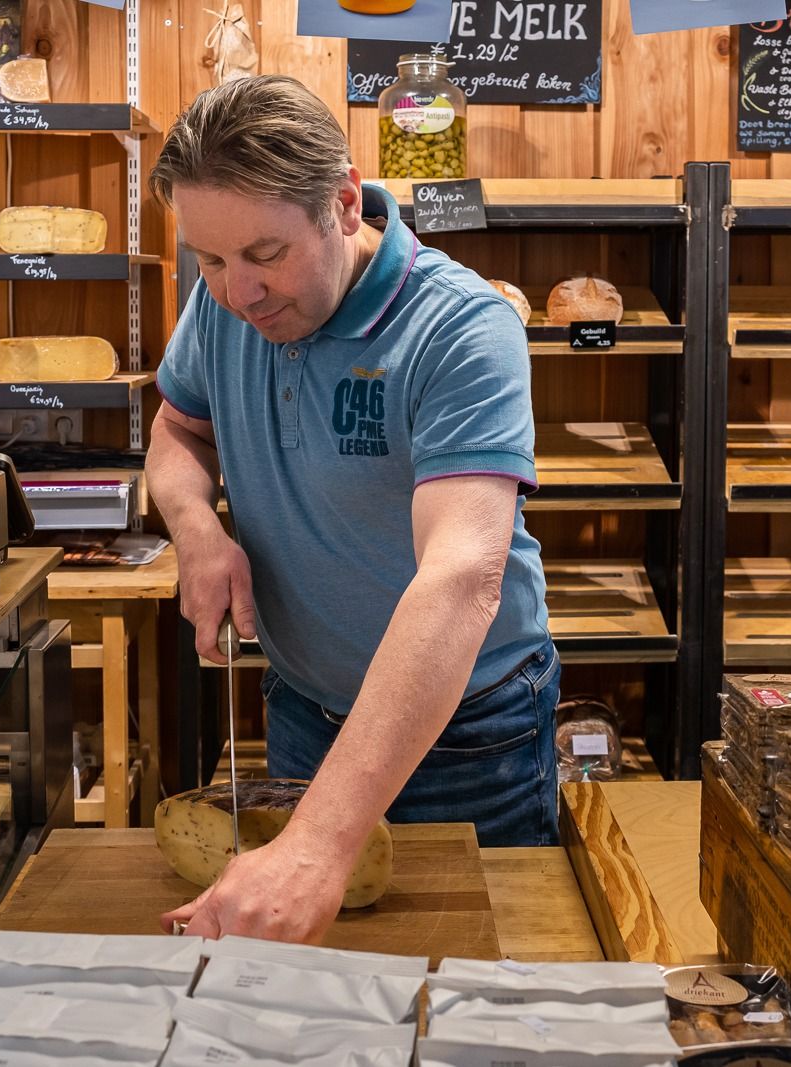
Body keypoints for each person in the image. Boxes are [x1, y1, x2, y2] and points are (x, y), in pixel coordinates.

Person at [146, 75, 557, 944]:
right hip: (304, 711)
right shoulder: (221, 306)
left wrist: (317, 847)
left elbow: (462, 577)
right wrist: (197, 531)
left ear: (341, 203)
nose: (238, 295)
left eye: (264, 254)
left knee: (474, 988)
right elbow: (177, 432)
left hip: (469, 735)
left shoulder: (461, 328)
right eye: (209, 260)